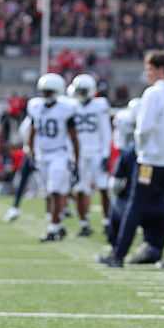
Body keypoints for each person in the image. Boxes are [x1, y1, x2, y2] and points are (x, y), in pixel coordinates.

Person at [101, 51, 164, 270]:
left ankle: (119, 253)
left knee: (134, 205)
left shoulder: (153, 93)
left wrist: (142, 149)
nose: (147, 73)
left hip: (150, 161)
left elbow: (144, 127)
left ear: (160, 70)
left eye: (150, 69)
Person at [28, 74, 81, 242]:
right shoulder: (36, 106)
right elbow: (32, 130)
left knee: (56, 191)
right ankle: (58, 225)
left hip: (59, 153)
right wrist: (31, 151)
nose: (46, 95)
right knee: (48, 193)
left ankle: (53, 228)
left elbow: (73, 136)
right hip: (43, 154)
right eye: (44, 92)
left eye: (49, 92)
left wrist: (76, 159)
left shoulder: (66, 108)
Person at [69, 74, 112, 237]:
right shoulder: (71, 106)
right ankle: (84, 223)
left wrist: (106, 154)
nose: (80, 93)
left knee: (103, 187)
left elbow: (106, 131)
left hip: (96, 152)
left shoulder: (100, 105)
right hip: (79, 154)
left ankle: (107, 222)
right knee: (80, 189)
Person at [4, 116, 34, 222]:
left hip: (42, 154)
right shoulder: (29, 120)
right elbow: (24, 134)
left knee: (49, 185)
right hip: (30, 153)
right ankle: (15, 207)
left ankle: (55, 212)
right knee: (21, 182)